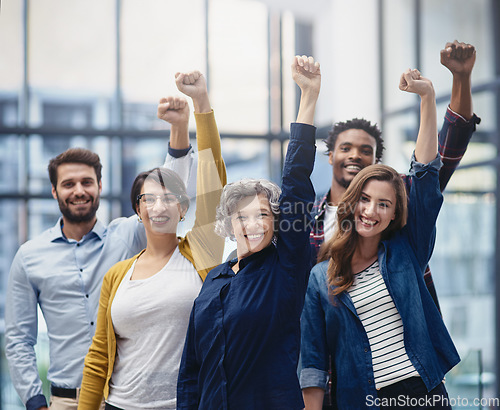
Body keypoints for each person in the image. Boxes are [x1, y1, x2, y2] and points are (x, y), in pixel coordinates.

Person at [4, 93, 197, 408]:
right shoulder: (29, 257)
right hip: (65, 400)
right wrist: (36, 402)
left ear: (100, 187)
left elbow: (165, 187)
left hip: (121, 397)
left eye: (87, 182)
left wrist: (178, 127)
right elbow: (18, 340)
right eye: (68, 184)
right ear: (54, 191)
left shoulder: (126, 235)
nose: (79, 190)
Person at [300, 69, 459, 409]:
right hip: (360, 399)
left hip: (424, 395)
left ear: (393, 215)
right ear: (351, 202)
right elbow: (312, 361)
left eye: (383, 204)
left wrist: (427, 98)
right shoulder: (320, 277)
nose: (371, 211)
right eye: (364, 199)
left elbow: (426, 177)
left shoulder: (407, 251)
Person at [176, 55, 320, 410]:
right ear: (229, 223)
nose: (253, 224)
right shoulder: (215, 281)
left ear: (277, 222)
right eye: (242, 217)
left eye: (263, 215)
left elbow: (296, 184)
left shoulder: (283, 266)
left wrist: (309, 97)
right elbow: (191, 370)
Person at [77, 71, 226, 410]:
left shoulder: (201, 254)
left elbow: (213, 176)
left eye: (169, 197)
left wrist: (200, 102)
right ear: (138, 209)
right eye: (150, 199)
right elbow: (99, 355)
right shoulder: (118, 275)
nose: (159, 206)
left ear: (183, 207)